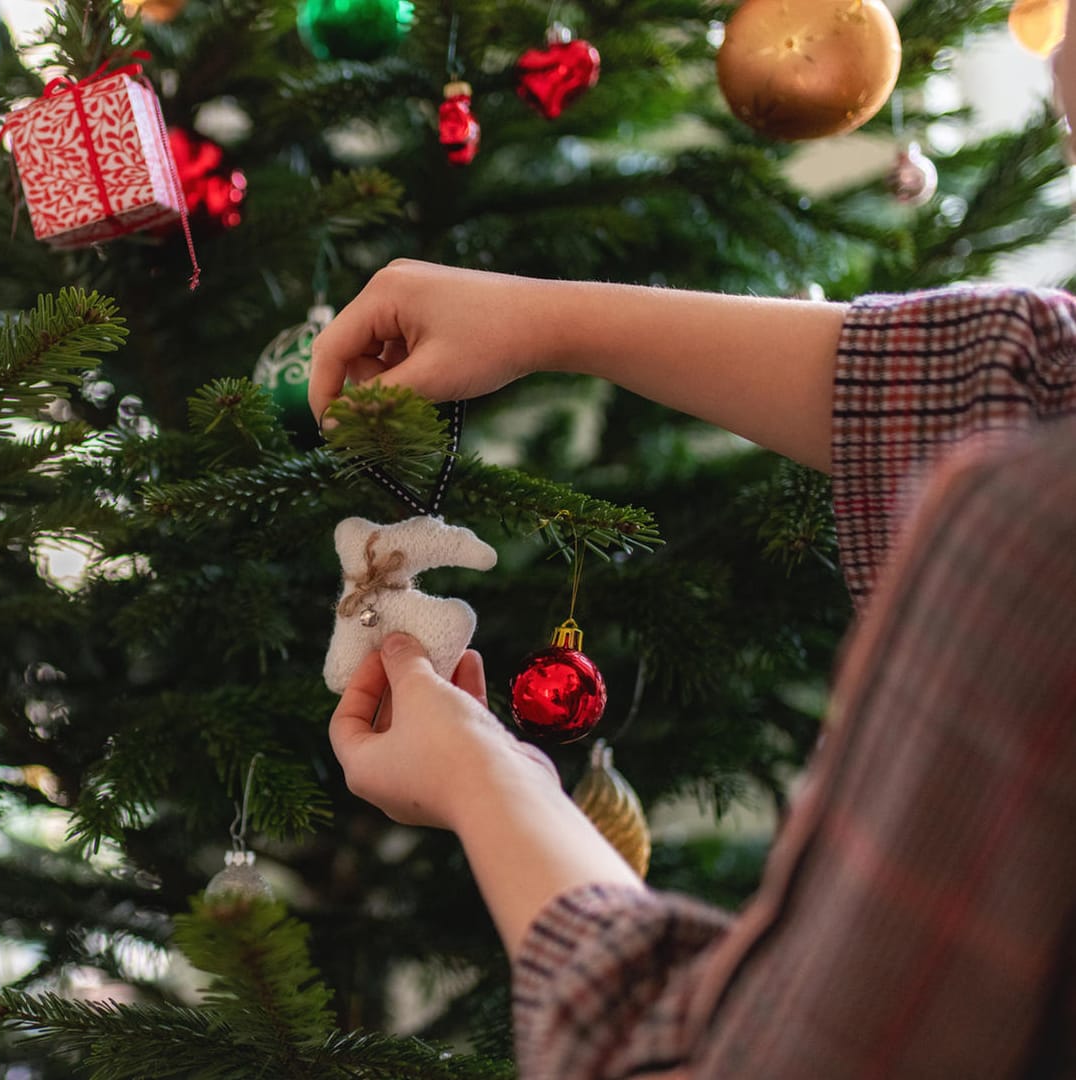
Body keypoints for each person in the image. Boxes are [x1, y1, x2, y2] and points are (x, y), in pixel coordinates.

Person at [310, 22, 1076, 1077]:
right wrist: (545, 319)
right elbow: (1021, 379)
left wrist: (491, 779)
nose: (1051, 52)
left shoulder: (1032, 532)